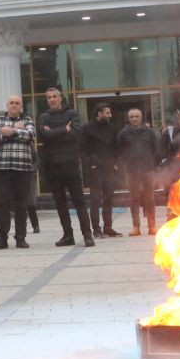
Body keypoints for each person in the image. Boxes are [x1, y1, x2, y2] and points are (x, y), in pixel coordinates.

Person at [37, 88, 94, 248]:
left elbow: (75, 134)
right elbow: (43, 135)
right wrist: (63, 130)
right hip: (52, 166)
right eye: (49, 97)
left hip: (71, 164)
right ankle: (68, 235)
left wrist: (54, 134)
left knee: (79, 201)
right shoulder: (44, 117)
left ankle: (87, 235)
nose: (52, 99)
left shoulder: (72, 114)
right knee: (60, 203)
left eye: (55, 96)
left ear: (61, 98)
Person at [0, 96, 36, 250]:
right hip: (4, 168)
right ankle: (2, 239)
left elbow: (31, 136)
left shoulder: (28, 119)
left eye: (17, 103)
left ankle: (20, 238)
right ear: (7, 105)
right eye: (12, 103)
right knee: (3, 204)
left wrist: (11, 131)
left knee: (21, 204)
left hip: (23, 168)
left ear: (21, 106)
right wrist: (18, 130)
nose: (14, 105)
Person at [80, 102, 121, 238]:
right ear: (99, 113)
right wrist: (90, 164)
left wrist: (115, 163)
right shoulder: (87, 128)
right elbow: (82, 149)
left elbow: (116, 147)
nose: (110, 115)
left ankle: (108, 227)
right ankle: (96, 229)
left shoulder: (112, 128)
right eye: (107, 113)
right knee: (95, 199)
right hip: (95, 169)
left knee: (108, 198)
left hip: (110, 168)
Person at [118, 108, 161, 236]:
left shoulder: (149, 132)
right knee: (134, 199)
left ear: (141, 117)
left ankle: (152, 226)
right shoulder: (123, 133)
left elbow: (156, 149)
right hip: (132, 171)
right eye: (132, 117)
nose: (134, 119)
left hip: (147, 170)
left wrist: (152, 163)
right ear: (128, 118)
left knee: (150, 199)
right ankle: (136, 227)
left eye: (137, 116)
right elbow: (119, 151)